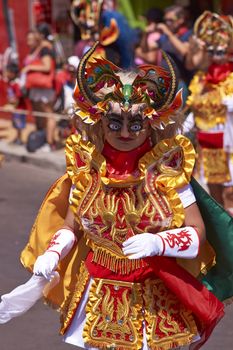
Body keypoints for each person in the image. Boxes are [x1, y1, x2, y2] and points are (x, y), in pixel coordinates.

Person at [0, 42, 233, 350]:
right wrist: (54, 252)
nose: (125, 132)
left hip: (151, 298)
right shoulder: (88, 168)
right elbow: (72, 226)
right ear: (100, 121)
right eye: (115, 122)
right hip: (97, 293)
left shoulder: (166, 168)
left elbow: (197, 234)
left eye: (135, 122)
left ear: (150, 123)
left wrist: (159, 242)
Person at [186, 11, 233, 214]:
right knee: (216, 198)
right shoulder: (201, 79)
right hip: (206, 145)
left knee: (230, 194)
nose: (216, 56)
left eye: (220, 52)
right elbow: (194, 110)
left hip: (229, 144)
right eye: (212, 51)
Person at [22, 30, 56, 152]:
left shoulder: (44, 50)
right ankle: (42, 140)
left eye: (30, 39)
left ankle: (50, 142)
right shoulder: (34, 51)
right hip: (35, 88)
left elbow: (47, 67)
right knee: (39, 116)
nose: (28, 42)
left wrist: (29, 67)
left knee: (48, 114)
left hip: (44, 88)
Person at [157, 5, 194, 89]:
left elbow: (185, 51)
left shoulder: (188, 34)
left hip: (181, 83)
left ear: (181, 20)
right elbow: (148, 49)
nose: (167, 23)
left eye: (170, 20)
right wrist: (147, 34)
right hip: (165, 82)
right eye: (165, 20)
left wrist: (168, 33)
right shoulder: (165, 36)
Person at [5, 63, 27, 145]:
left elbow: (18, 97)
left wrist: (12, 106)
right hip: (15, 108)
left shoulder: (16, 84)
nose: (7, 74)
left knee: (19, 124)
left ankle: (20, 139)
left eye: (9, 72)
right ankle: (17, 137)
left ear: (14, 74)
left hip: (19, 109)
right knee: (15, 124)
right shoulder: (11, 83)